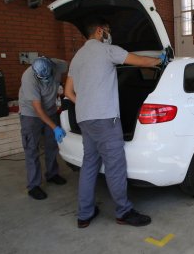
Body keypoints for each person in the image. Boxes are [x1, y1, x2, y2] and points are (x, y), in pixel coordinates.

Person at [65, 17, 162, 228]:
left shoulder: (77, 57)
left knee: (89, 165)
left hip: (85, 119)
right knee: (115, 167)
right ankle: (124, 212)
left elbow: (68, 92)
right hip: (106, 120)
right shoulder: (107, 51)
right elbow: (142, 61)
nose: (110, 35)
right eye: (108, 30)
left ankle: (84, 214)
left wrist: (86, 103)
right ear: (99, 31)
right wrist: (161, 59)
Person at [19, 57, 68, 200]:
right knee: (31, 148)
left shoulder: (59, 65)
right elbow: (38, 110)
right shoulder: (28, 78)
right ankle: (33, 186)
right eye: (42, 78)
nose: (45, 80)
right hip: (31, 114)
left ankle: (52, 174)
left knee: (52, 145)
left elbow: (72, 70)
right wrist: (55, 127)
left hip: (51, 109)